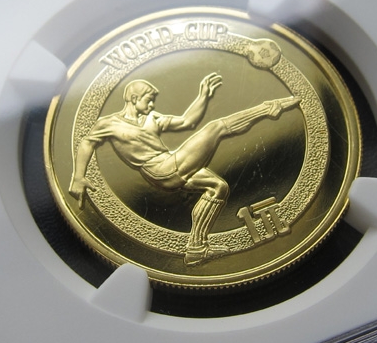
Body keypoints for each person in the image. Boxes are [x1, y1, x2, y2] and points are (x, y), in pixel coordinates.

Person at [69, 73, 299, 265]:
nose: (152, 105)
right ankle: (267, 109)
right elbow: (87, 142)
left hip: (171, 163)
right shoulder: (109, 124)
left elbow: (187, 121)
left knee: (218, 187)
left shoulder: (152, 118)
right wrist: (78, 177)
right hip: (160, 170)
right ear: (134, 98)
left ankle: (196, 249)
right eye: (149, 99)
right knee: (215, 128)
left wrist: (203, 96)